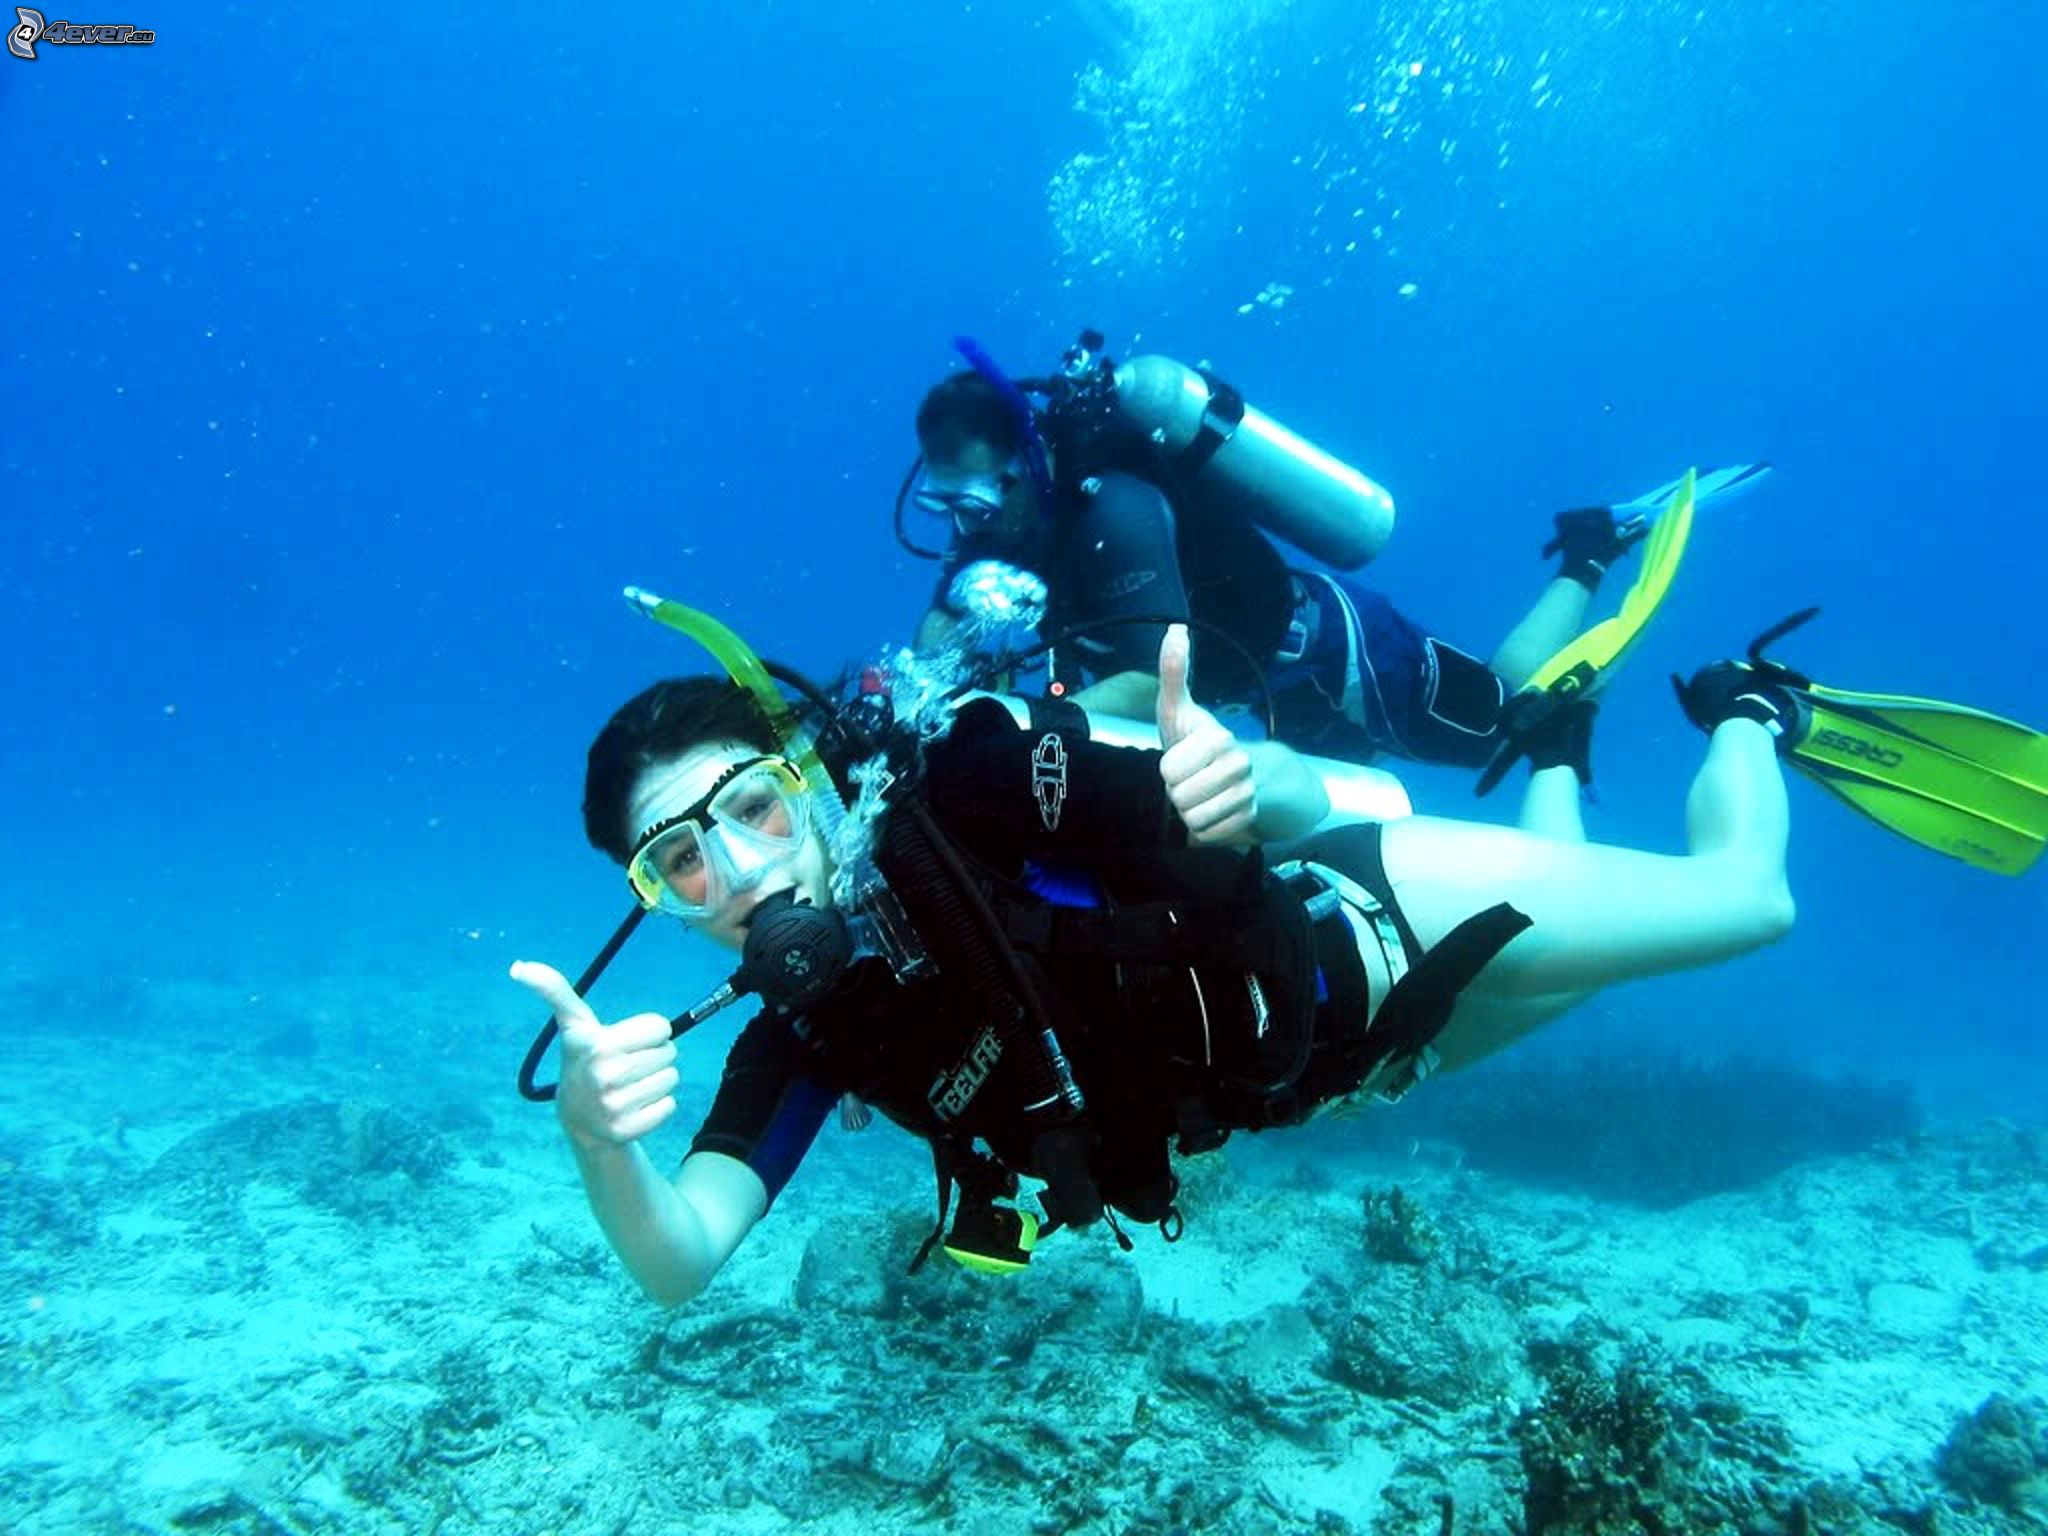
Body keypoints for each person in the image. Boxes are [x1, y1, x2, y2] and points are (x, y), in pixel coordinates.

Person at [516, 607, 1989, 1308]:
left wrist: (1256, 784)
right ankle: (1553, 744)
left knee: (1743, 906)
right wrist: (599, 1142)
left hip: (1384, 916)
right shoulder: (802, 1035)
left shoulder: (967, 782)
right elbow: (677, 1257)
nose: (742, 874)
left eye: (751, 809)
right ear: (652, 897)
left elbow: (1245, 790)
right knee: (1594, 970)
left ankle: (1750, 707)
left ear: (810, 776)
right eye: (680, 858)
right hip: (1368, 1066)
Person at [902, 343, 1765, 770]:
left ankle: (1590, 551)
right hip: (1261, 697)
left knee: (1502, 728)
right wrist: (902, 713)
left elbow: (1150, 671)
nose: (963, 527)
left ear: (1027, 467)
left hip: (1340, 653)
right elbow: (943, 634)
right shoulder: (1000, 530)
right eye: (944, 504)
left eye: (975, 501)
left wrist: (1012, 738)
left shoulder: (1111, 508)